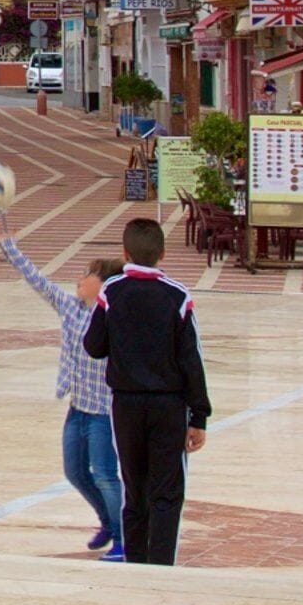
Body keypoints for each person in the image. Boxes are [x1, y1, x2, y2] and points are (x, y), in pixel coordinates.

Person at [0, 222, 126, 559]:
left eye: (88, 274)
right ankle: (107, 520)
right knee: (75, 471)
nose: (79, 279)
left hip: (103, 412)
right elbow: (37, 280)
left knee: (106, 475)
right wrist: (7, 245)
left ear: (104, 284)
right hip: (77, 408)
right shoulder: (70, 307)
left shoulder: (115, 317)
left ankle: (123, 537)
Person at [86, 216, 211, 566]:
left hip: (125, 405)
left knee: (134, 489)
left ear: (125, 253)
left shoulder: (111, 292)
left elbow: (94, 346)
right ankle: (161, 566)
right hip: (169, 406)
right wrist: (199, 415)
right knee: (167, 492)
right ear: (162, 254)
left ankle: (136, 564)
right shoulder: (178, 296)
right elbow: (191, 359)